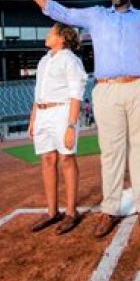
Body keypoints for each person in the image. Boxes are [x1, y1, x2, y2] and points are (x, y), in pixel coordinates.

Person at [13, 0, 140, 238]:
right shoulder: (96, 14)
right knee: (111, 152)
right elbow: (62, 12)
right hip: (106, 87)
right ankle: (110, 209)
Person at [28, 22, 88, 235]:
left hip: (62, 112)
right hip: (42, 113)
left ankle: (71, 212)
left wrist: (71, 125)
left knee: (67, 159)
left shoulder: (71, 60)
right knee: (47, 159)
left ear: (61, 38)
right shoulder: (44, 60)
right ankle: (52, 212)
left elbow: (76, 94)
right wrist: (33, 119)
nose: (47, 35)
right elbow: (38, 93)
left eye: (51, 33)